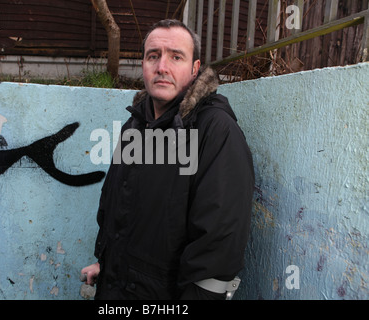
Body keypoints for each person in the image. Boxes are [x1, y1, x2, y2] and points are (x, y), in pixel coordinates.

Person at [82, 19, 254, 300]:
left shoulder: (215, 131)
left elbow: (218, 244)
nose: (162, 67)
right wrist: (106, 263)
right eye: (153, 56)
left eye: (176, 56)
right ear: (143, 65)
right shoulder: (134, 125)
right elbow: (116, 206)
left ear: (195, 69)